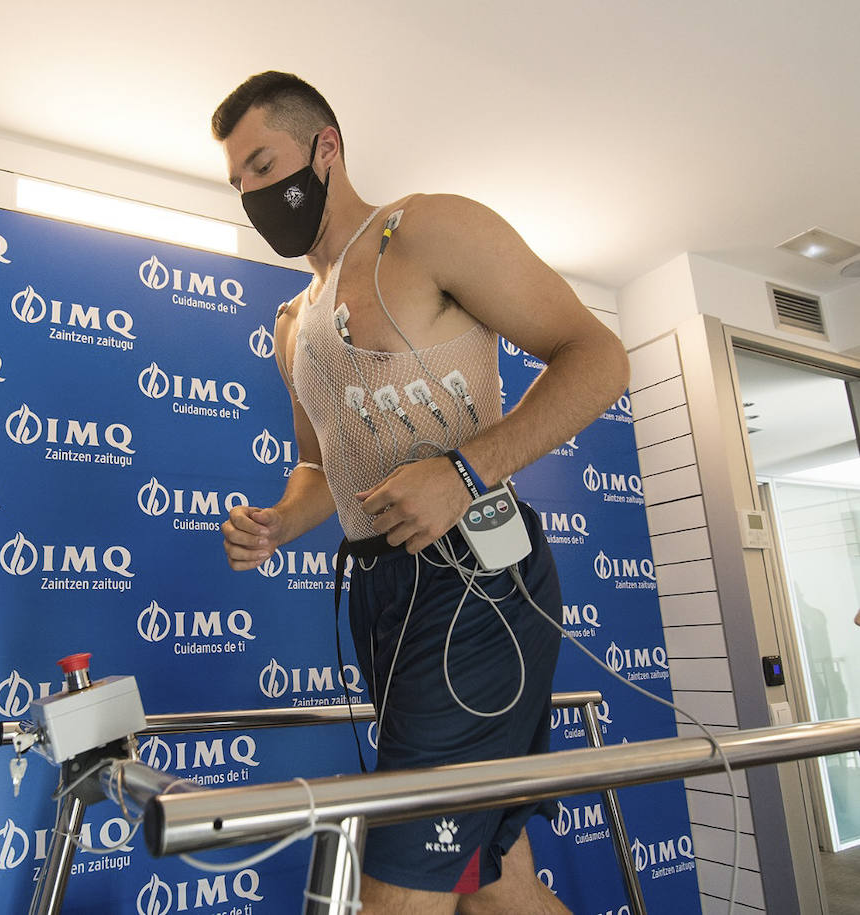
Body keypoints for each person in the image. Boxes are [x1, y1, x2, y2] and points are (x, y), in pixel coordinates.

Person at [215, 71, 630, 914]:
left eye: (264, 165)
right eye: (239, 181)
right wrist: (278, 524)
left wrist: (466, 469)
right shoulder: (291, 323)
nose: (255, 193)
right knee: (491, 884)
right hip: (384, 598)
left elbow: (598, 355)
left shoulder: (426, 229)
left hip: (477, 582)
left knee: (398, 887)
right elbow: (320, 469)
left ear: (325, 147)